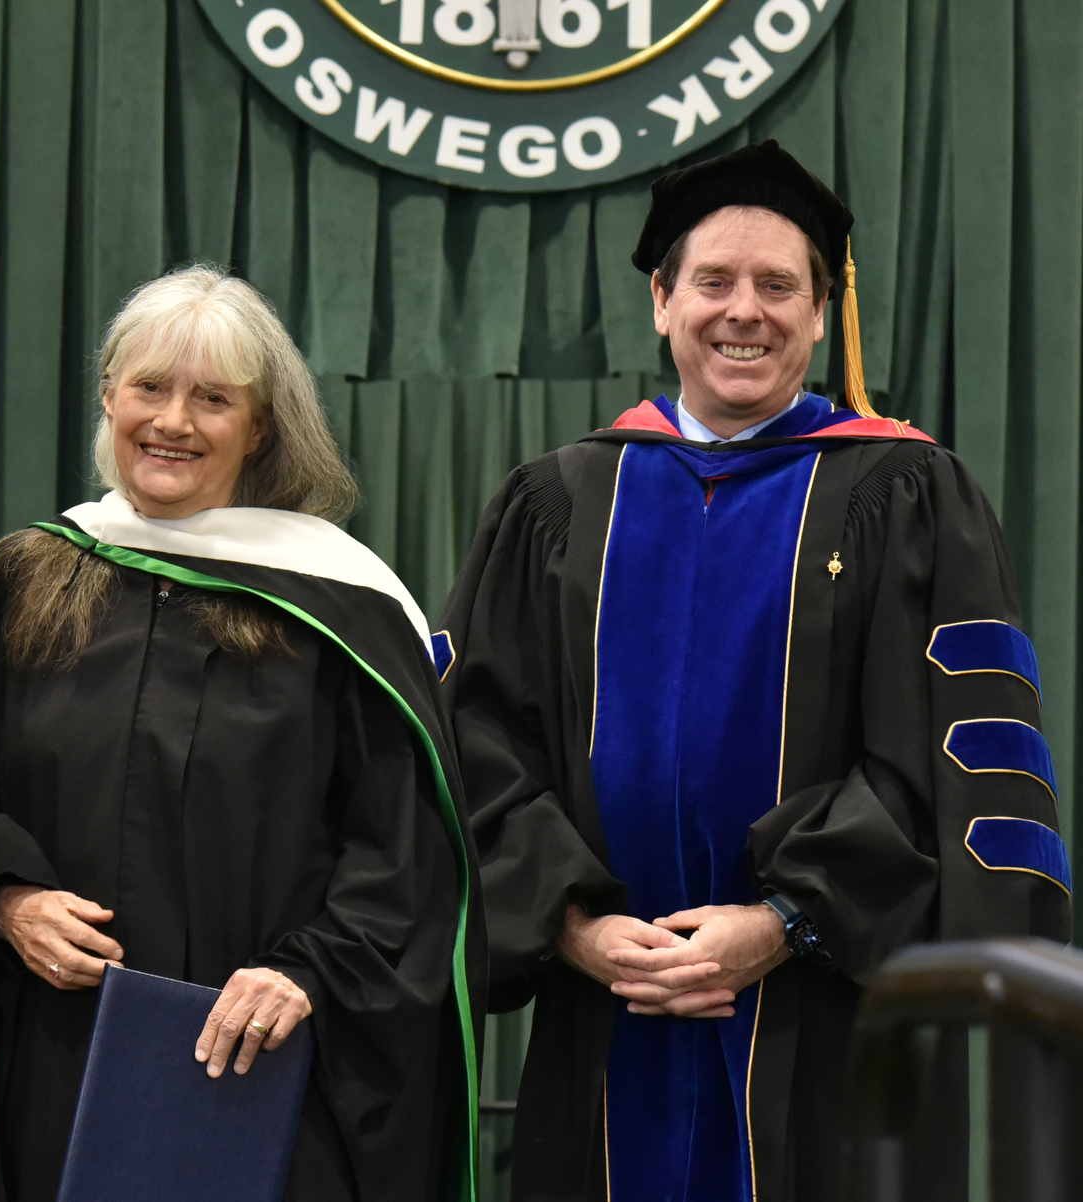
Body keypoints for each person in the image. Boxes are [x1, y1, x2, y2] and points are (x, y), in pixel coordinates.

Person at [438, 139, 1071, 1202]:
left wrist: (786, 920)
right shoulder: (558, 502)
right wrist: (572, 924)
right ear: (661, 300)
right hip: (606, 1009)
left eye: (780, 285)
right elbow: (477, 742)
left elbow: (946, 751)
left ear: (822, 313)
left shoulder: (905, 492)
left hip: (829, 1012)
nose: (746, 310)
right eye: (714, 281)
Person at [0, 266, 485, 1202]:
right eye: (149, 388)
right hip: (50, 1046)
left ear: (260, 427)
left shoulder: (338, 608)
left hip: (256, 1055)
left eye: (212, 399)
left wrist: (307, 976)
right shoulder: (31, 575)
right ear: (108, 397)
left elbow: (404, 845)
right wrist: (4, 898)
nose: (173, 421)